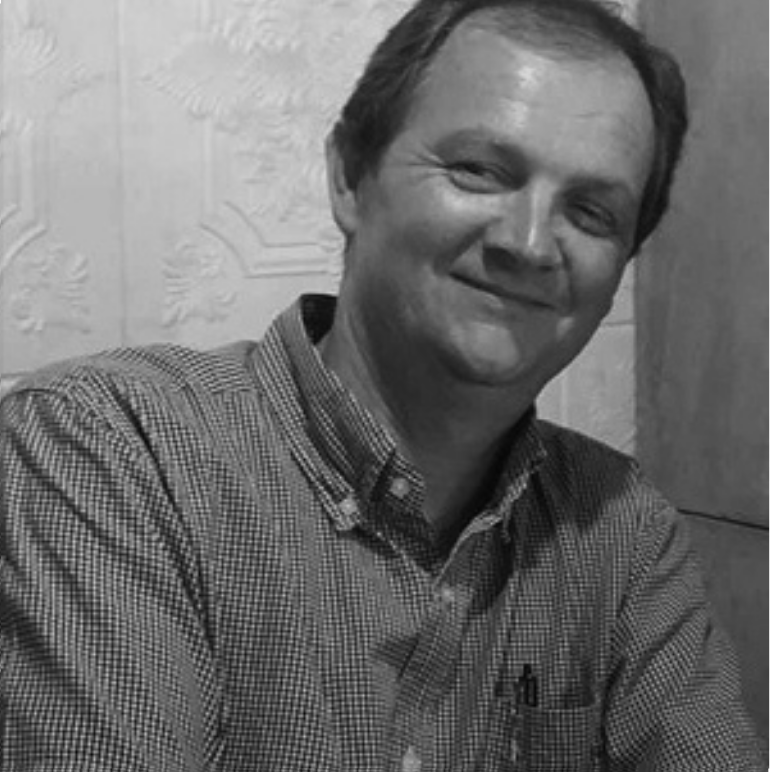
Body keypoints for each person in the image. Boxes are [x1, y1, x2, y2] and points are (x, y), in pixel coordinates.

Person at [0, 0, 766, 769]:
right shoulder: (113, 450)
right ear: (349, 178)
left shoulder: (622, 530)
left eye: (592, 212)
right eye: (478, 170)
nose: (531, 244)